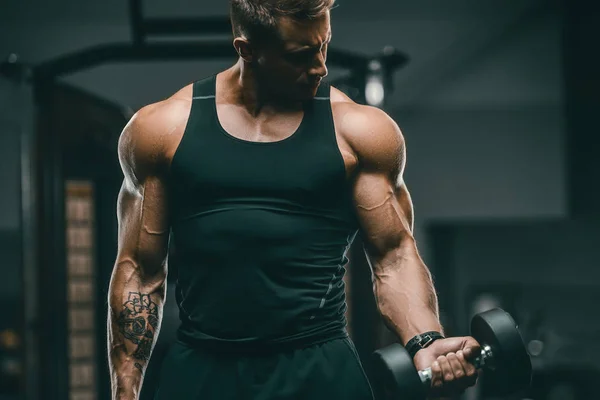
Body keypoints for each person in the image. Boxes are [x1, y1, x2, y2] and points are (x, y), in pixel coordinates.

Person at [107, 0, 480, 399]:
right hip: (204, 369)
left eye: (324, 45)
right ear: (246, 50)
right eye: (300, 55)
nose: (320, 66)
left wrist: (424, 341)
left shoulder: (359, 132)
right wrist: (124, 393)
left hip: (320, 372)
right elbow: (140, 275)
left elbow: (394, 254)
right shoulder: (161, 131)